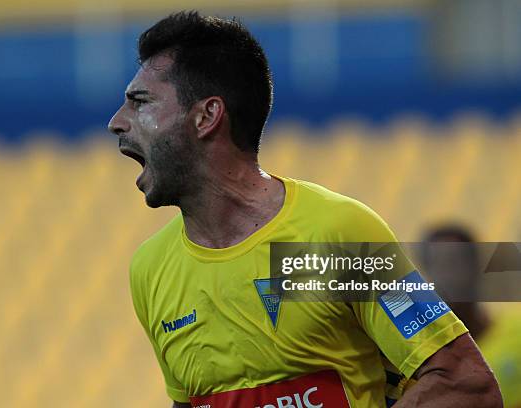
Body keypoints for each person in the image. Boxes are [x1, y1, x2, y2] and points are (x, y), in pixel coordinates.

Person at [109, 11, 502, 407]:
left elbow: (464, 382)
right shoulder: (150, 269)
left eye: (140, 102)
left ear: (207, 116)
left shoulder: (337, 236)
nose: (116, 123)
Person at [422, 225, 521, 408]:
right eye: (438, 265)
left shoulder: (517, 335)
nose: (448, 275)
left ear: (476, 267)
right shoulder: (422, 357)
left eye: (456, 262)